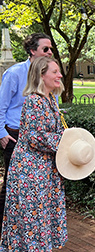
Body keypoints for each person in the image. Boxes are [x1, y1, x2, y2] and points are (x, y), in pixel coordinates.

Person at [0, 56, 68, 252]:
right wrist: (66, 142)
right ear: (41, 76)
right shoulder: (34, 101)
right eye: (55, 72)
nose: (60, 75)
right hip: (30, 170)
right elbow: (35, 137)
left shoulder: (49, 99)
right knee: (34, 214)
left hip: (43, 167)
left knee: (45, 211)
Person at [0, 33, 53, 233]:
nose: (49, 53)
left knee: (36, 189)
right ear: (32, 51)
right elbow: (1, 106)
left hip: (40, 140)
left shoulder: (48, 74)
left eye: (50, 49)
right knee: (12, 187)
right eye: (45, 49)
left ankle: (29, 233)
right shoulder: (14, 73)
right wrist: (1, 134)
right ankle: (4, 232)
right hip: (15, 136)